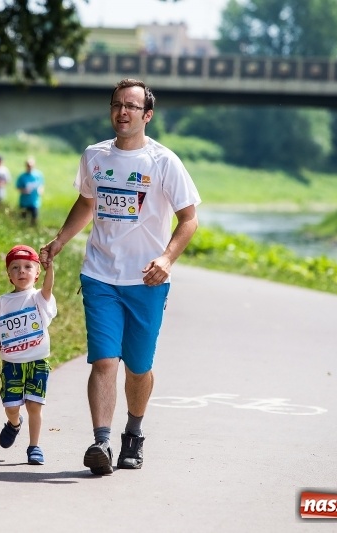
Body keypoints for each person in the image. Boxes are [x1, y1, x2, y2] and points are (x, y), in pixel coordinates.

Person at [39, 78, 200, 476]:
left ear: (147, 115)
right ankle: (101, 442)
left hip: (147, 281)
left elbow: (189, 220)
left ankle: (134, 433)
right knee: (105, 360)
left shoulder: (164, 162)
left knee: (138, 367)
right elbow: (88, 200)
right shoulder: (94, 156)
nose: (122, 112)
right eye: (117, 105)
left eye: (131, 106)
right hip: (100, 276)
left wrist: (166, 258)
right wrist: (60, 240)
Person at [0, 245, 56, 465]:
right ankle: (14, 424)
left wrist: (50, 267)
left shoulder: (38, 298)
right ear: (9, 276)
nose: (21, 271)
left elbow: (48, 288)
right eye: (15, 268)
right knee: (11, 407)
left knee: (35, 405)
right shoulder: (2, 303)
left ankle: (34, 447)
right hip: (11, 364)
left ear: (36, 274)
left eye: (27, 267)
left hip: (37, 361)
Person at [16, 157, 44, 225]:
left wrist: (40, 191)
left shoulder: (39, 175)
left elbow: (41, 185)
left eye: (31, 166)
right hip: (24, 202)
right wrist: (24, 191)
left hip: (34, 202)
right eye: (28, 165)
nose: (30, 167)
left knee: (34, 220)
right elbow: (18, 187)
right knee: (23, 220)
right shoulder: (22, 176)